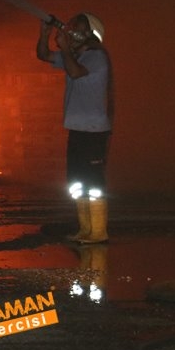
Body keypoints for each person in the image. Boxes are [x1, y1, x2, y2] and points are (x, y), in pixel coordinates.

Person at [36, 13, 113, 244]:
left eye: (76, 28)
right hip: (78, 129)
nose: (71, 30)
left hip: (94, 131)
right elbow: (43, 55)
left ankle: (99, 232)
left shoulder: (96, 57)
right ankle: (85, 229)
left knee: (94, 182)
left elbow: (75, 72)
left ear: (90, 34)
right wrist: (44, 33)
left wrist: (65, 47)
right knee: (78, 181)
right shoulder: (77, 56)